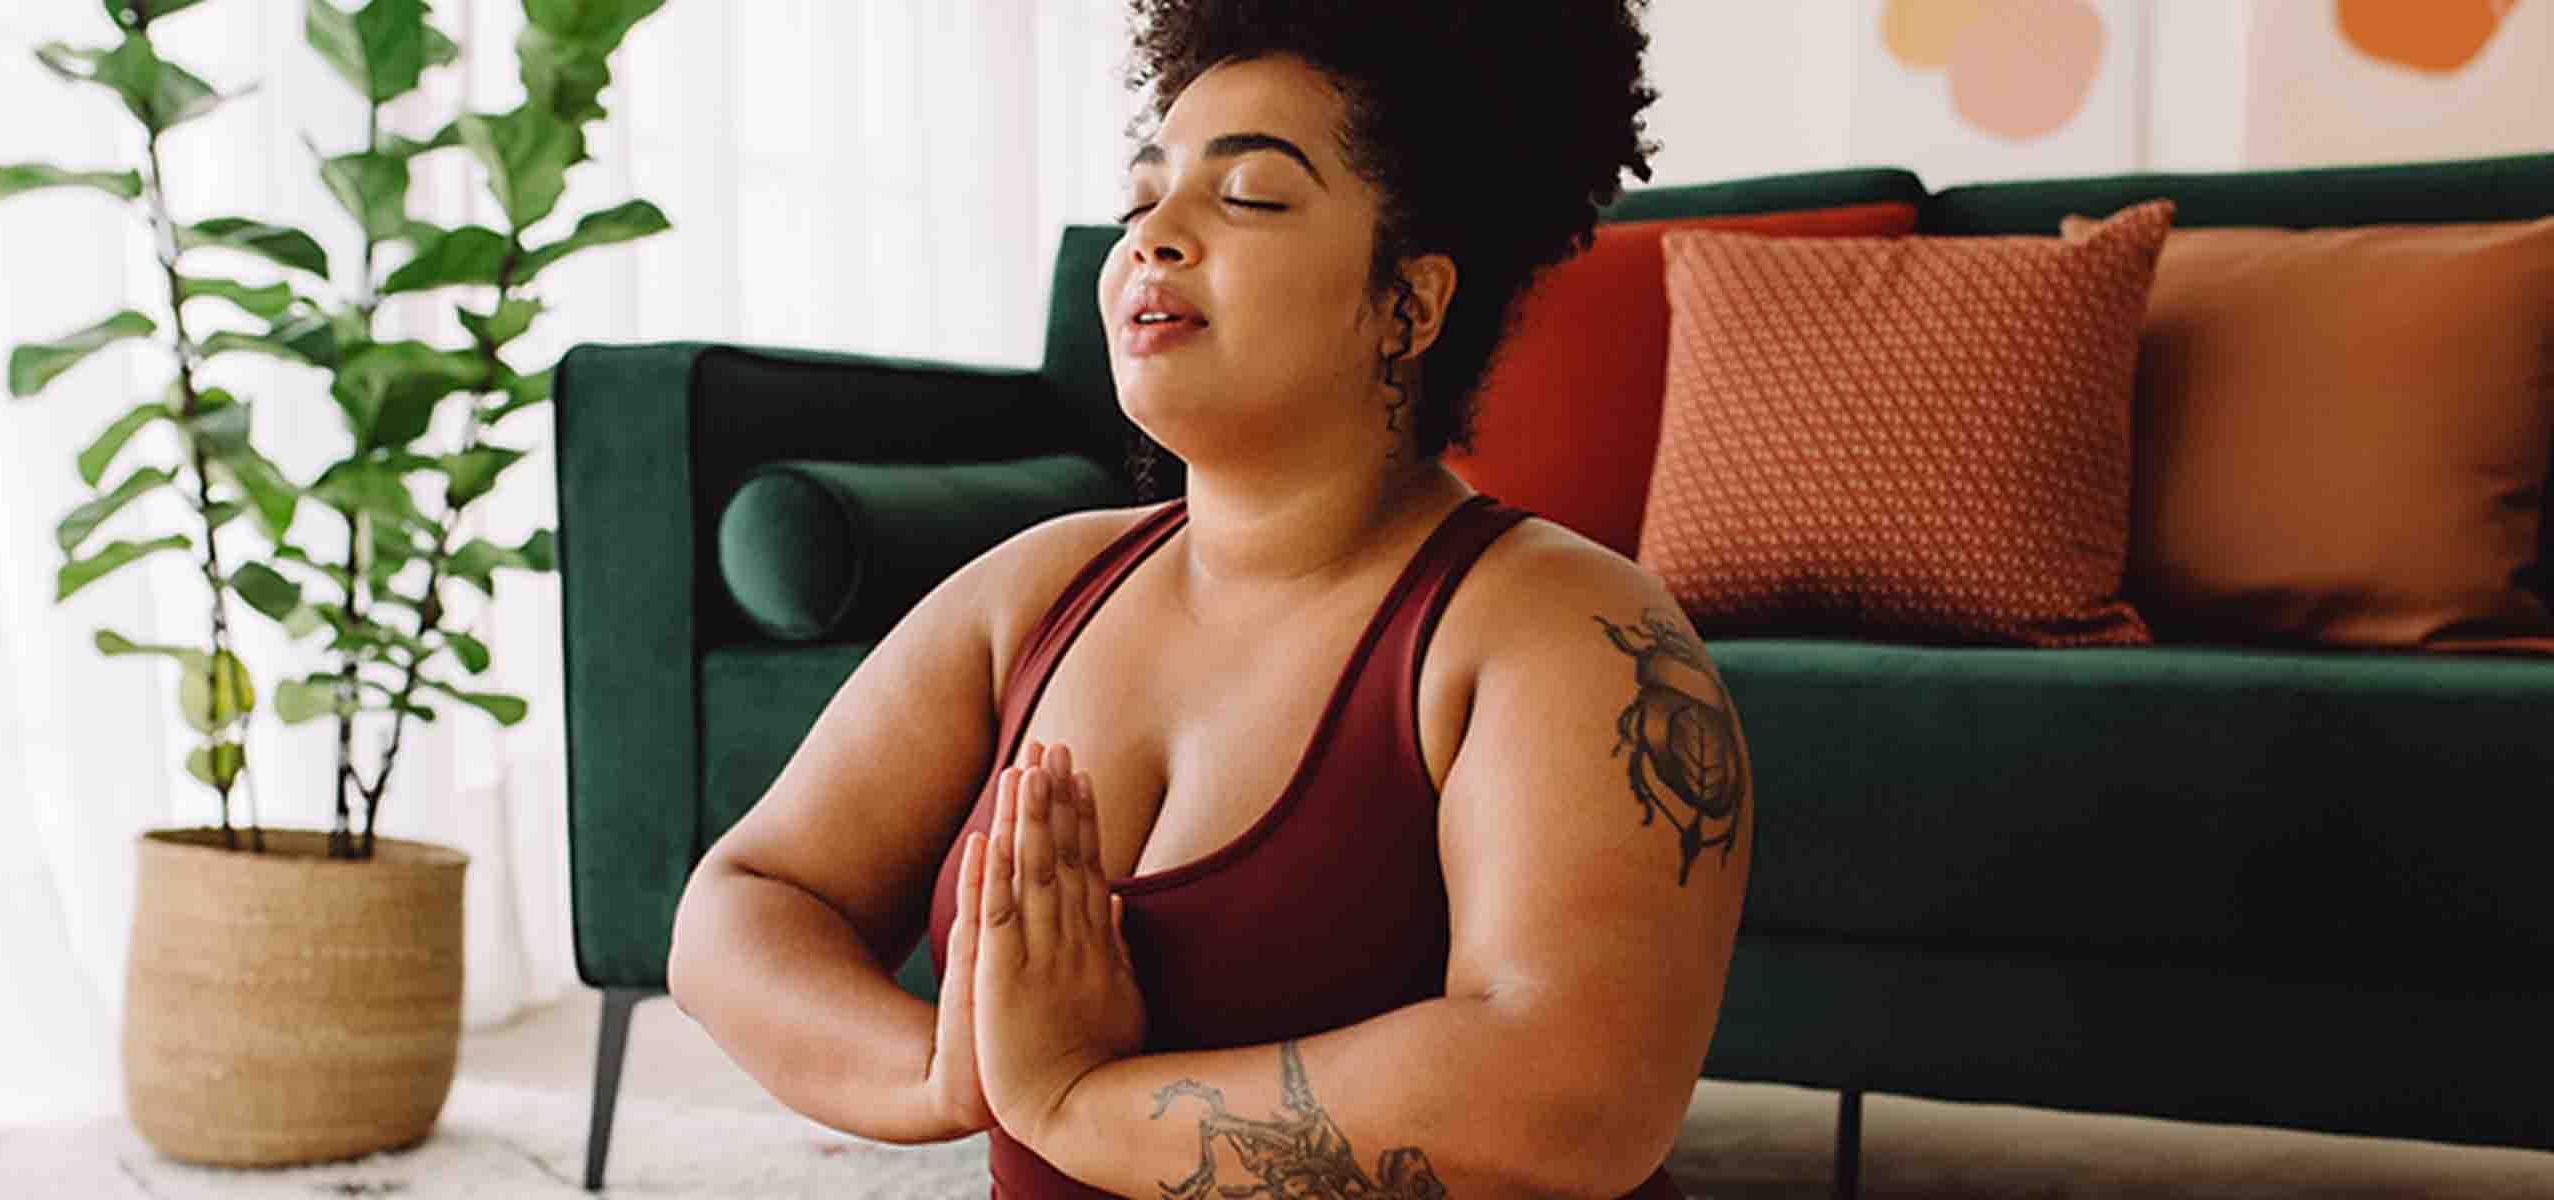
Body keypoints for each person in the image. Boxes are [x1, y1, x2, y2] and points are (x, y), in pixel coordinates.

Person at [670, 2, 1748, 1196]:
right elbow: (745, 902)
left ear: (1411, 301)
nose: (1150, 238)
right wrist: (946, 1075)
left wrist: (1072, 1103)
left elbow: (1575, 1095)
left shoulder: (1566, 630)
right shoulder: (1034, 590)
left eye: (1247, 198)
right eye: (1143, 199)